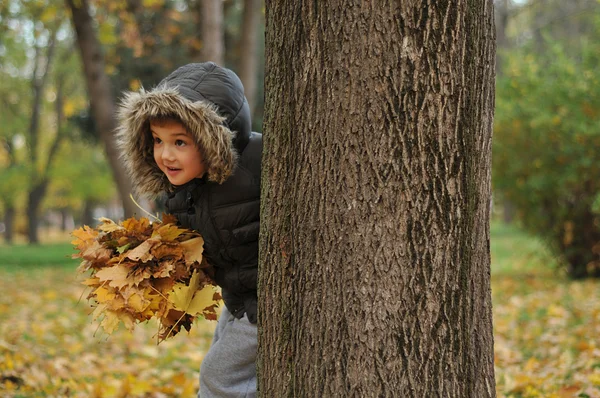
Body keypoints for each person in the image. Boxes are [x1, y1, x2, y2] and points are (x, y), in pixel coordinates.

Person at [116, 62, 261, 398]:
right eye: (157, 140)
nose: (165, 154)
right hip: (238, 300)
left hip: (266, 304)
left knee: (217, 377)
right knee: (218, 367)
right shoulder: (180, 195)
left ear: (213, 140)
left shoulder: (254, 162)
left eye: (180, 142)